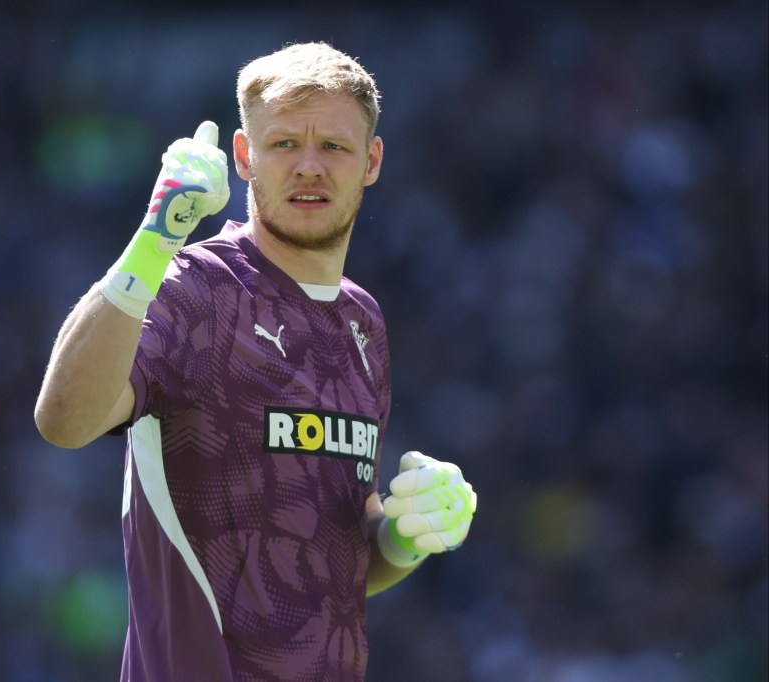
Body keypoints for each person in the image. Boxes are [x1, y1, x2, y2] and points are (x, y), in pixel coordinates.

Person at [35, 41, 477, 682]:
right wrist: (154, 240)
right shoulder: (193, 287)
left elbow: (335, 557)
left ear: (371, 161)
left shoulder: (363, 323)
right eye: (282, 144)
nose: (308, 166)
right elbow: (63, 420)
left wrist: (408, 536)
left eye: (333, 146)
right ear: (244, 156)